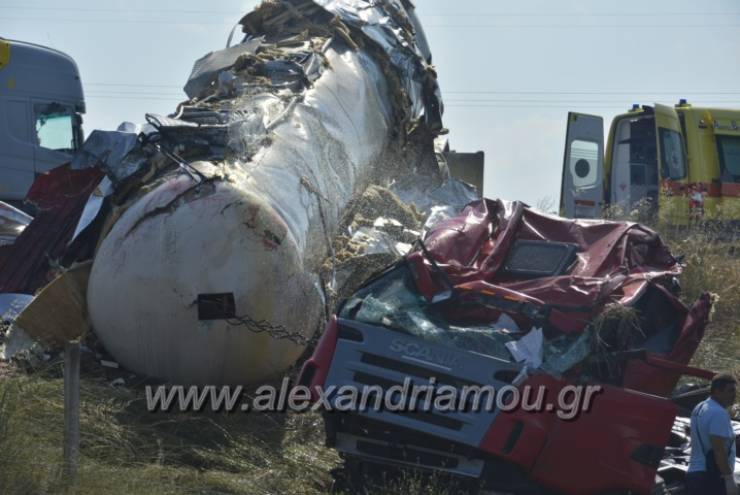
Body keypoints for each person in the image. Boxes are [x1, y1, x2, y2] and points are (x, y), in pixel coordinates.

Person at [686, 373, 738, 495]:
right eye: (730, 391)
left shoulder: (700, 407)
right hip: (710, 477)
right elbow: (718, 451)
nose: (734, 395)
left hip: (694, 473)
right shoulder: (718, 413)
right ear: (717, 391)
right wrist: (729, 479)